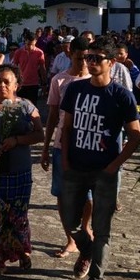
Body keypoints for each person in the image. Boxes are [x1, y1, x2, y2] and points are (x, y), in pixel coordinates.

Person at [59, 37, 140, 280]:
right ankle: (88, 250)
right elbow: (68, 128)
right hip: (75, 167)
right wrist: (66, 161)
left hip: (104, 171)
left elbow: (135, 135)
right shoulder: (75, 90)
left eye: (97, 58)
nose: (91, 63)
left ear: (112, 62)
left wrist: (113, 166)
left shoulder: (121, 96)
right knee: (71, 222)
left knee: (102, 228)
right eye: (88, 58)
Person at [0, 64, 43, 277]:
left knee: (18, 216)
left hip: (19, 172)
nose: (2, 85)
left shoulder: (26, 107)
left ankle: (22, 251)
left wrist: (17, 140)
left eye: (7, 82)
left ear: (17, 85)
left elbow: (39, 135)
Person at [40, 38, 91, 259]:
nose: (83, 63)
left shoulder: (95, 80)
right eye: (80, 58)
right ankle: (70, 238)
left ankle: (86, 229)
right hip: (62, 144)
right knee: (62, 193)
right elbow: (51, 116)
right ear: (71, 55)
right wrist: (45, 147)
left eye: (87, 58)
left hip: (87, 146)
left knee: (88, 194)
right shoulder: (59, 81)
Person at [13, 31, 47, 103]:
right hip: (21, 84)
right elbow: (14, 68)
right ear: (25, 41)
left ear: (35, 42)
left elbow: (42, 69)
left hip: (33, 84)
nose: (30, 47)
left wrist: (44, 83)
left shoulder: (39, 53)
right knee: (20, 106)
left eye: (33, 44)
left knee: (32, 106)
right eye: (28, 44)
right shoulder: (18, 52)